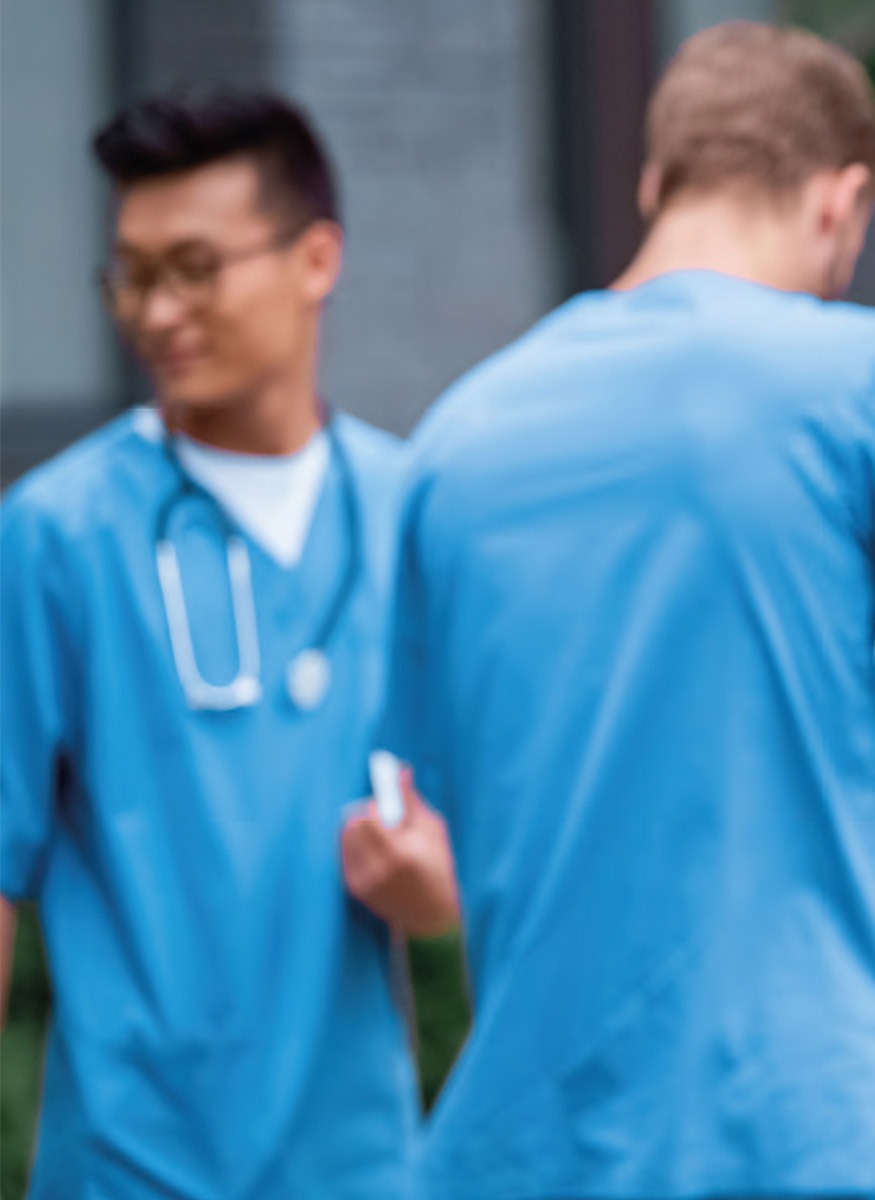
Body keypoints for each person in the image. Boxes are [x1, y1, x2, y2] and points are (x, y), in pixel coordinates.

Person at [381, 22, 875, 1200]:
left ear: (656, 181)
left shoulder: (453, 439)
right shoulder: (855, 375)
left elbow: (432, 835)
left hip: (525, 1143)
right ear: (839, 201)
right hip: (800, 1127)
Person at [0, 86, 457, 1199]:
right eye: (133, 275)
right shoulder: (58, 535)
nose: (157, 312)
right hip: (128, 1167)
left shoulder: (418, 516)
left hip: (360, 1168)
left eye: (194, 268)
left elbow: (485, 853)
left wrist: (436, 892)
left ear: (316, 259)